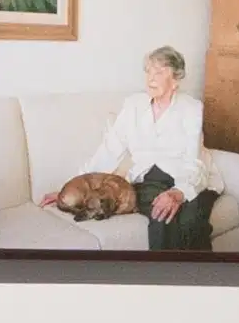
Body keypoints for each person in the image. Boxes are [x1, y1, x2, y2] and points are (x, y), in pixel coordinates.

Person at [69, 44, 221, 251]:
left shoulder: (191, 108)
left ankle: (198, 279)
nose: (151, 78)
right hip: (149, 180)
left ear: (175, 79)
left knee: (191, 221)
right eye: (148, 71)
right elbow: (110, 149)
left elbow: (193, 159)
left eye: (159, 72)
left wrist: (179, 192)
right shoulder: (133, 105)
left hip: (188, 177)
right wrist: (75, 183)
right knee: (163, 216)